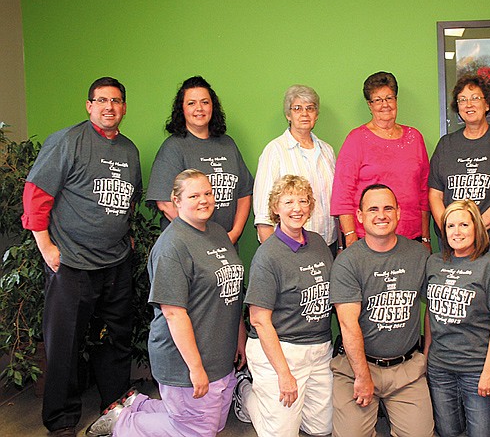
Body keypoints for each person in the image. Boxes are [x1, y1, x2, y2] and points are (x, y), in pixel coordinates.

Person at [21, 77, 142, 437]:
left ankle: (116, 406)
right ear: (89, 106)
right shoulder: (68, 141)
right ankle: (61, 420)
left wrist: (127, 235)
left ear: (124, 107)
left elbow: (129, 199)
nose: (109, 107)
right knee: (65, 344)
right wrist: (46, 247)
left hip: (116, 263)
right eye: (101, 100)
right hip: (71, 263)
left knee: (116, 338)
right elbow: (36, 194)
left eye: (116, 101)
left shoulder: (129, 150)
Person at [85, 169, 247, 437]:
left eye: (208, 193)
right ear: (176, 201)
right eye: (194, 195)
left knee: (213, 425)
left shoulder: (217, 232)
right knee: (196, 431)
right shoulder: (172, 245)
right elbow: (173, 313)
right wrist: (195, 368)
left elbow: (228, 292)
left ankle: (137, 404)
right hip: (185, 359)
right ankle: (123, 423)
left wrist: (238, 335)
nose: (204, 200)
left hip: (219, 354)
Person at [330, 184, 434, 437]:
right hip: (357, 367)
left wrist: (426, 356)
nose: (382, 215)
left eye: (388, 208)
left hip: (406, 369)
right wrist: (363, 378)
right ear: (360, 216)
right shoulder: (347, 262)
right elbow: (348, 325)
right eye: (373, 209)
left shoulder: (418, 255)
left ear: (398, 213)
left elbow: (434, 306)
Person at [235, 175, 334, 437]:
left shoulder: (319, 244)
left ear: (310, 206)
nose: (297, 208)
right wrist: (284, 374)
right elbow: (259, 320)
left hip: (318, 348)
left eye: (303, 201)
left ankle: (286, 410)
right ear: (275, 208)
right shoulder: (268, 255)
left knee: (321, 430)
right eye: (288, 201)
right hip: (280, 350)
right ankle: (245, 392)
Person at [424, 199, 490, 437]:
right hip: (441, 367)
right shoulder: (434, 263)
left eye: (464, 224)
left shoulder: (489, 266)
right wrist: (427, 354)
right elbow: (431, 312)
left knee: (481, 432)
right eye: (450, 226)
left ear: (477, 228)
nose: (457, 231)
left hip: (477, 367)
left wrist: (488, 371)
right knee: (447, 431)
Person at [146, 75, 254, 247]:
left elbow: (244, 194)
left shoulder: (228, 144)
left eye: (205, 102)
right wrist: (202, 236)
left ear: (213, 106)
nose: (199, 108)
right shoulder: (173, 147)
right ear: (181, 109)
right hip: (189, 244)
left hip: (226, 243)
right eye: (191, 103)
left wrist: (234, 234)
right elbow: (165, 204)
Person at [429, 73, 490, 257]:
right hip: (453, 242)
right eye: (462, 100)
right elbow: (435, 196)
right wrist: (451, 229)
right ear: (457, 107)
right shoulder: (445, 145)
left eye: (475, 98)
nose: (469, 104)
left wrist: (473, 229)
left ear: (487, 104)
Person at [331, 71, 431, 250]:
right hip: (368, 238)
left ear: (396, 100)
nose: (385, 105)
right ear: (369, 105)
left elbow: (424, 192)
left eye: (389, 98)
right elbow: (342, 193)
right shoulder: (356, 139)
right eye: (377, 100)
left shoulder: (415, 137)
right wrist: (350, 237)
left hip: (411, 237)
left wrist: (426, 238)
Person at [253, 85, 337, 250]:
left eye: (310, 108)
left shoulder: (327, 151)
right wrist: (276, 255)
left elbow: (337, 203)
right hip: (290, 249)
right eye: (297, 108)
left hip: (328, 246)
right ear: (288, 114)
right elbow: (263, 215)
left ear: (316, 115)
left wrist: (340, 246)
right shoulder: (275, 151)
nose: (304, 113)